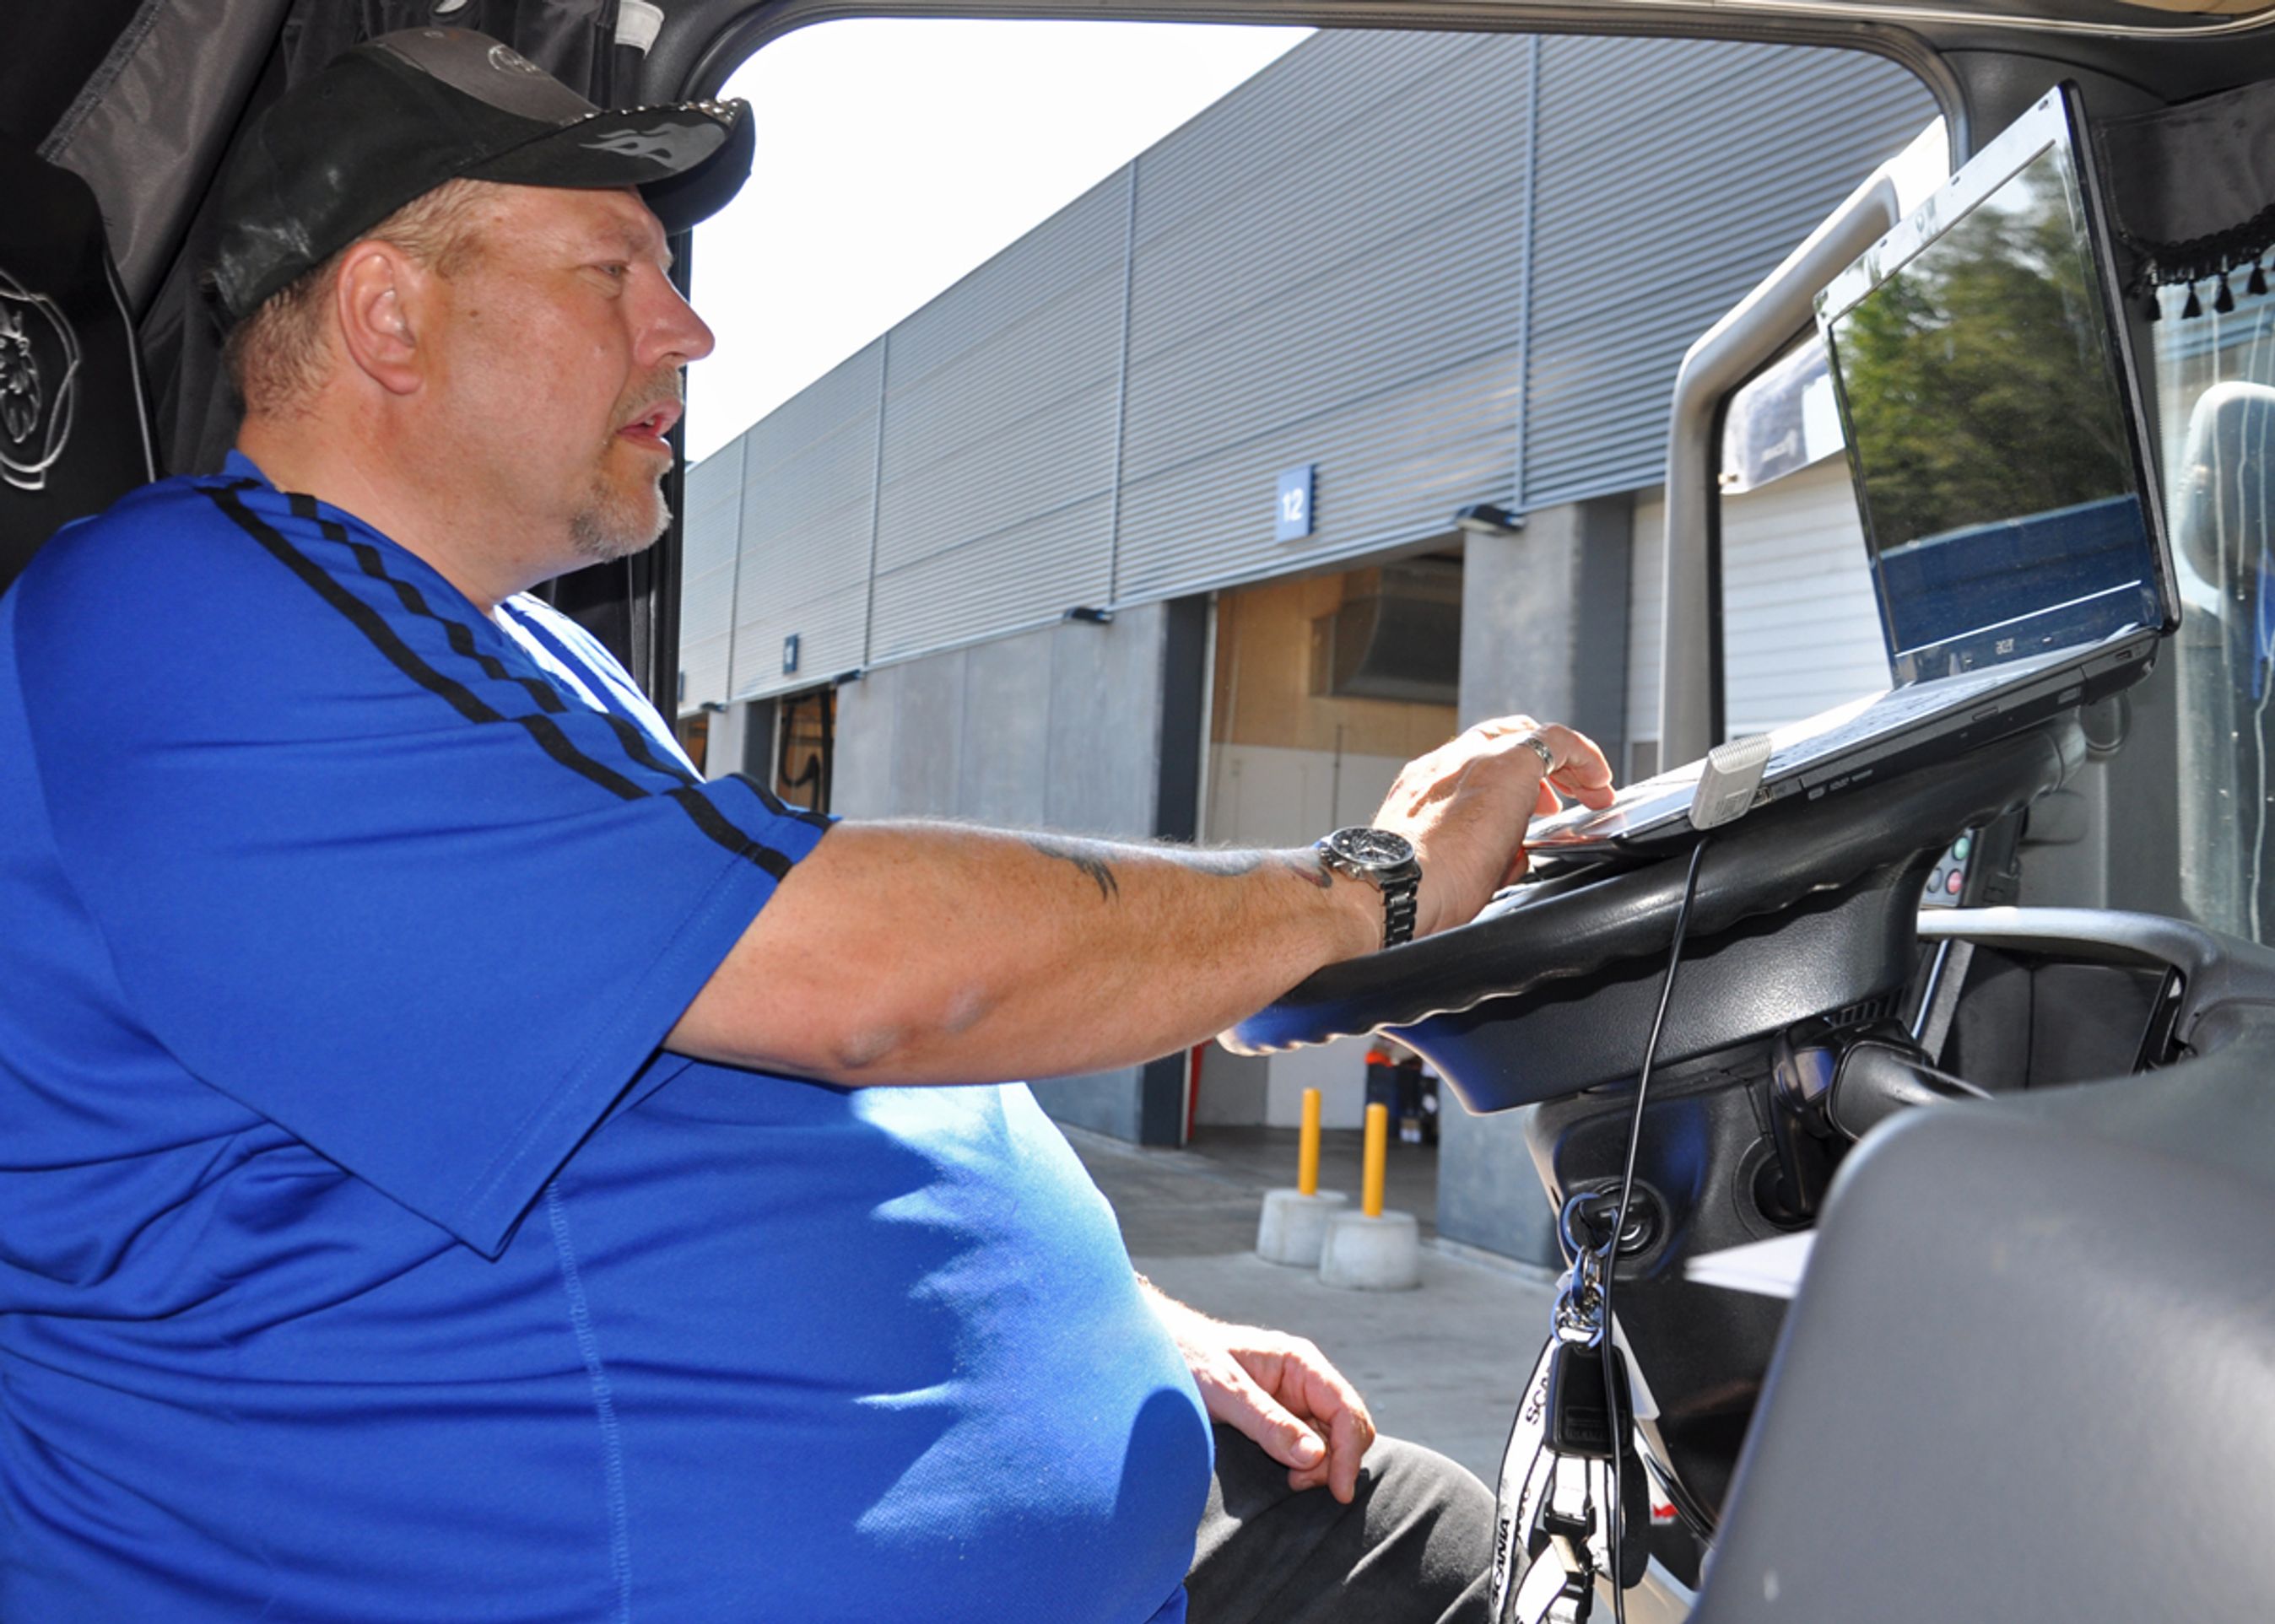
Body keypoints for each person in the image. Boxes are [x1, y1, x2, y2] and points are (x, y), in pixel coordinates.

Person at [0, 28, 1616, 1622]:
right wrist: (1364, 888)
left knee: (1443, 1533)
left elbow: (715, 1084)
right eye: (612, 271)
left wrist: (1127, 1312)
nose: (687, 330)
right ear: (388, 315)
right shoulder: (179, 620)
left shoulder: (525, 652)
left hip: (1113, 1532)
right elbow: (862, 980)